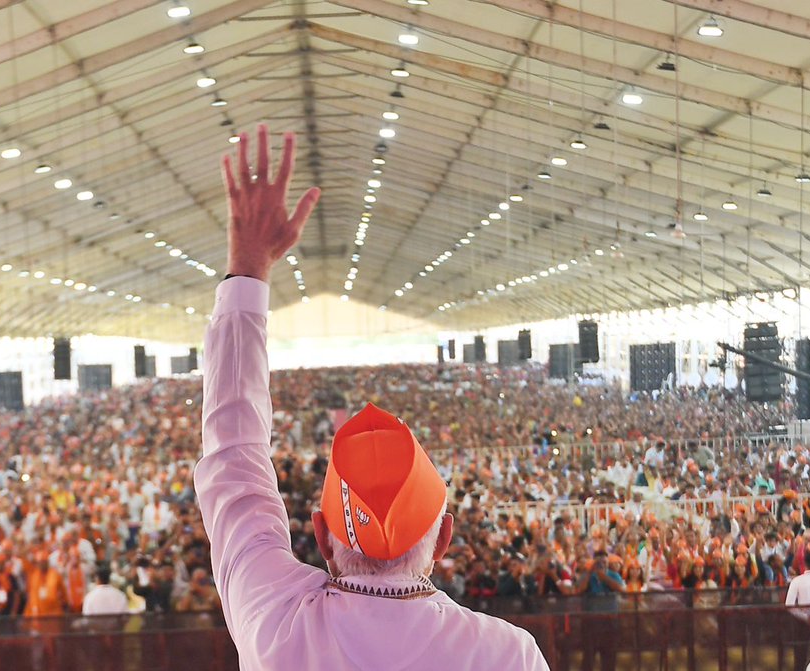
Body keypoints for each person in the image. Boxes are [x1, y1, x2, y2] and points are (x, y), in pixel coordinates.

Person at [193, 125, 548, 670]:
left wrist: (249, 267)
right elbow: (232, 459)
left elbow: (233, 457)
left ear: (322, 537)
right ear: (445, 536)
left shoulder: (274, 621)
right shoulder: (507, 656)